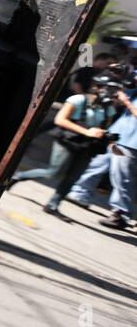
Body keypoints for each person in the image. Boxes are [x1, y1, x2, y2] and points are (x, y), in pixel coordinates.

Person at [12, 77, 122, 216]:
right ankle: (17, 177)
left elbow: (105, 128)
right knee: (53, 172)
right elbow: (60, 119)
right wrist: (86, 131)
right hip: (68, 140)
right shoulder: (78, 100)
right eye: (109, 88)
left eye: (115, 90)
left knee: (73, 177)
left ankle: (53, 205)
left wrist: (111, 143)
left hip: (88, 146)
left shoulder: (109, 108)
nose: (111, 93)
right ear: (97, 87)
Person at [67, 87, 137, 229]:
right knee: (97, 165)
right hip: (116, 135)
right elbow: (116, 102)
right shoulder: (134, 90)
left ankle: (121, 214)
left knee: (121, 177)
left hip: (131, 142)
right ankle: (80, 194)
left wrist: (127, 102)